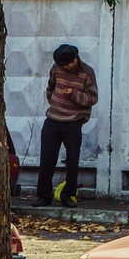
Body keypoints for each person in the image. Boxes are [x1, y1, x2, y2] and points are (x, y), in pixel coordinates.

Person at [35, 43, 98, 208]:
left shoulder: (87, 72)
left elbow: (93, 98)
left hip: (73, 122)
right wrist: (55, 104)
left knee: (72, 161)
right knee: (47, 160)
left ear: (74, 59)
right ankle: (43, 196)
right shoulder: (56, 68)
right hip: (53, 120)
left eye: (67, 64)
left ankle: (68, 195)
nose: (64, 67)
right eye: (62, 64)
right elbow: (50, 88)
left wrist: (74, 95)